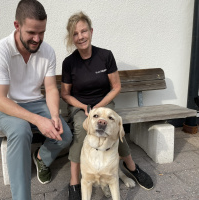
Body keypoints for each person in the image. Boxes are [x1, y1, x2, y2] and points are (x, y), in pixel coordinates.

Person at [61, 11, 154, 200]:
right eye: (76, 34)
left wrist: (98, 109)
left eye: (83, 31)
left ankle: (132, 168)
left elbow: (116, 87)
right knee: (81, 128)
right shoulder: (69, 63)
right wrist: (86, 108)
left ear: (91, 31)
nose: (80, 37)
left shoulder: (105, 56)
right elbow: (65, 94)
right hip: (80, 106)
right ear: (72, 37)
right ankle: (74, 182)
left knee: (114, 128)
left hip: (104, 102)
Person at [0, 1, 72, 199]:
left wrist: (53, 114)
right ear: (17, 26)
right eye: (32, 32)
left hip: (36, 103)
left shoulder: (48, 51)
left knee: (65, 135)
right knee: (20, 130)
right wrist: (37, 120)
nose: (37, 39)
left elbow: (51, 88)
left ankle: (40, 157)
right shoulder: (0, 51)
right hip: (6, 106)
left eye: (42, 32)